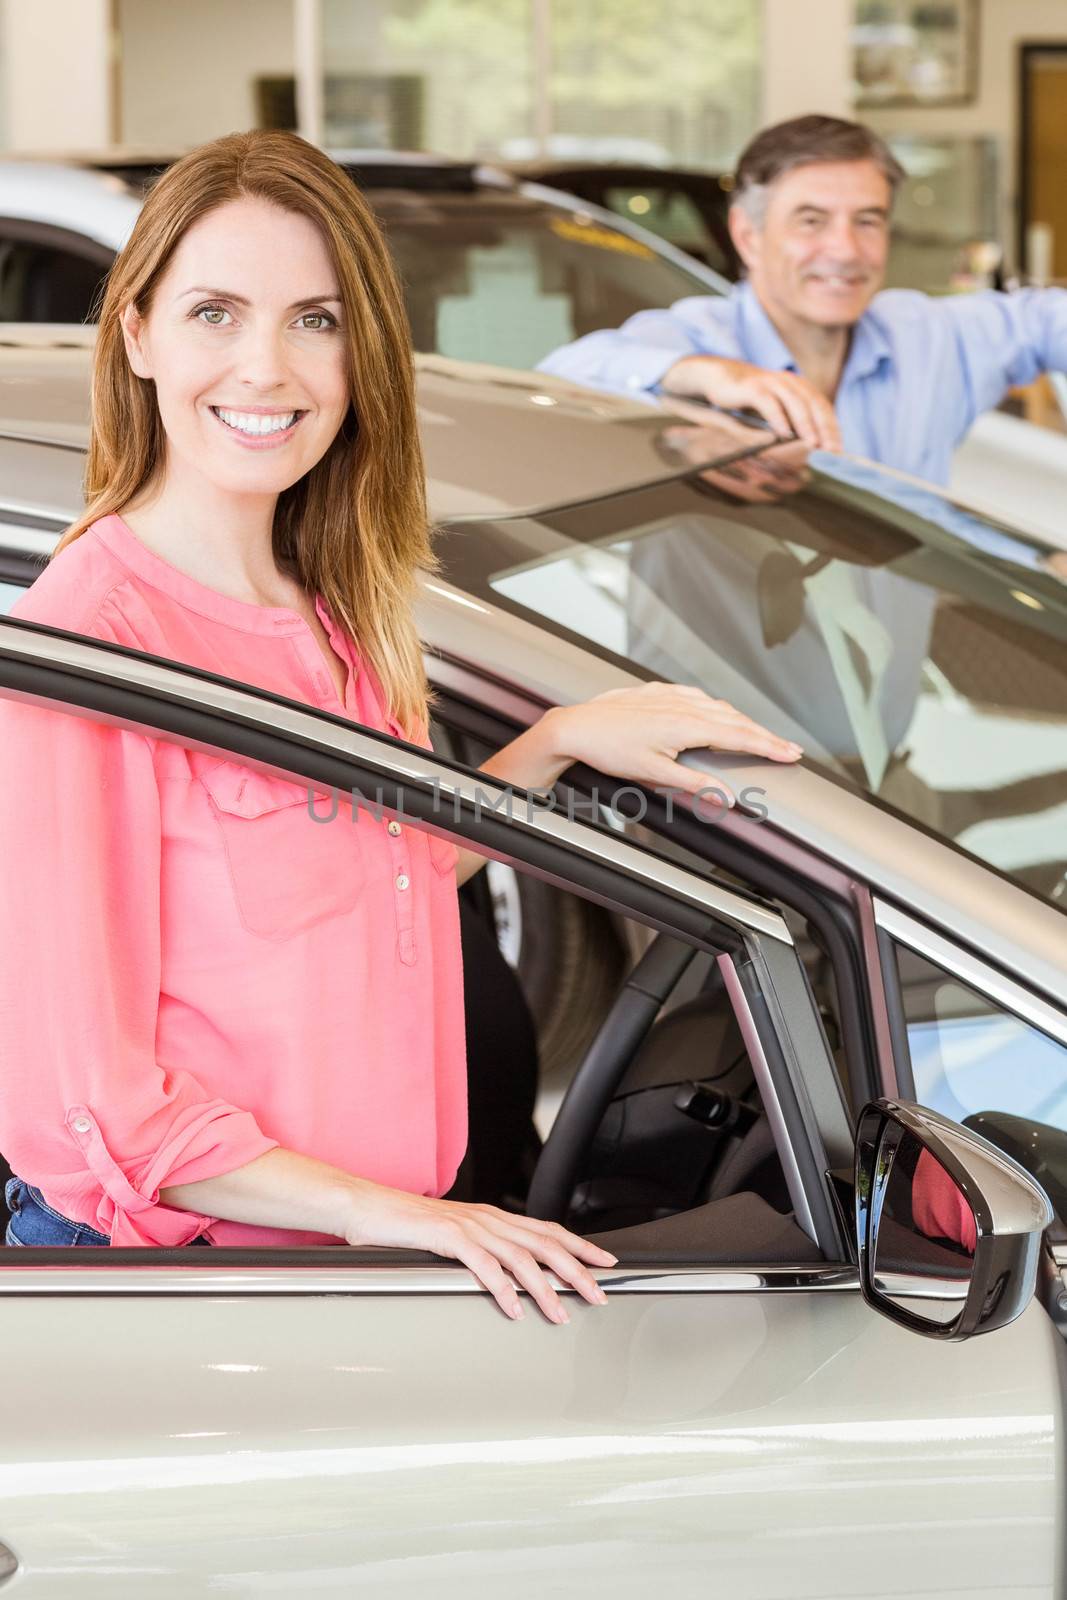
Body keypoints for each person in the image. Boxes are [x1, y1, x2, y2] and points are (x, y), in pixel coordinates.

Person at [0, 131, 803, 1323]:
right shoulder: (92, 639)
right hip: (184, 1283)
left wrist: (556, 745)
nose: (266, 368)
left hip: (341, 1252)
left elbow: (379, 865)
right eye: (215, 312)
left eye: (313, 319)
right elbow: (92, 1099)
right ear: (138, 336)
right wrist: (403, 1217)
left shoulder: (332, 605)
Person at [538, 114, 1067, 487]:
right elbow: (555, 385)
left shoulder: (929, 336)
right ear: (747, 235)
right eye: (811, 222)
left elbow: (1046, 322)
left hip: (893, 647)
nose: (844, 250)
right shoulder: (699, 338)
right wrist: (708, 375)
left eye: (867, 221)